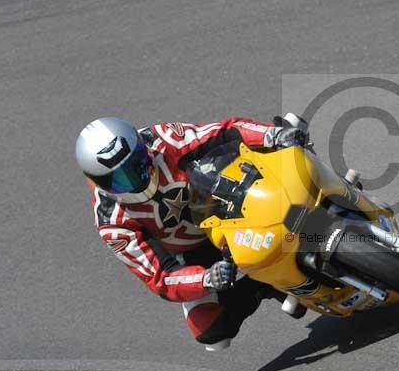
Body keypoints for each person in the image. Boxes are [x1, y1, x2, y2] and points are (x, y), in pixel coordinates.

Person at [75, 115, 308, 351]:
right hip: (193, 251)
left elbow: (224, 131)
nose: (136, 179)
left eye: (138, 162)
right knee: (210, 329)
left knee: (281, 142)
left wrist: (271, 135)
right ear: (99, 182)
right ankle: (267, 284)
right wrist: (205, 278)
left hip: (226, 198)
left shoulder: (163, 140)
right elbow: (160, 277)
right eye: (120, 179)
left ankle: (313, 176)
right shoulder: (112, 222)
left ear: (141, 146)